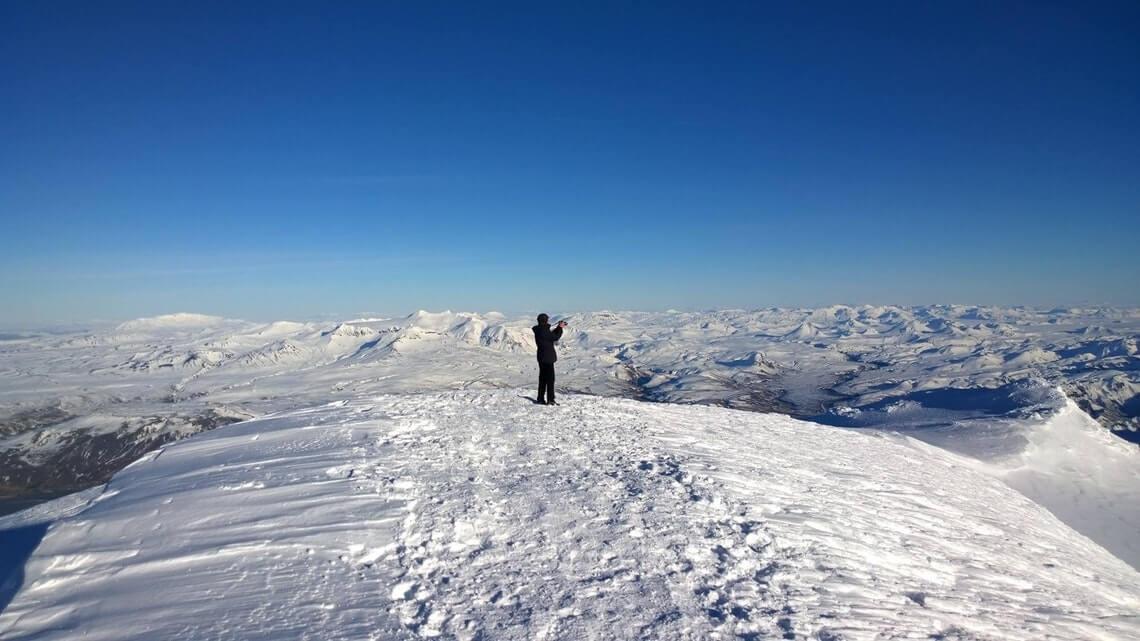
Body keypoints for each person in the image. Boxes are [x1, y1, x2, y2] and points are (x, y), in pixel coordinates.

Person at [532, 313, 566, 405]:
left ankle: (540, 398)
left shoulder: (538, 330)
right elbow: (555, 337)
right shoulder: (544, 331)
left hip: (541, 357)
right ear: (546, 320)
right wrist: (560, 328)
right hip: (548, 358)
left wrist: (558, 328)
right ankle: (550, 400)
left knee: (542, 379)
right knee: (550, 380)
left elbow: (549, 336)